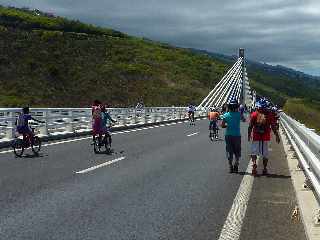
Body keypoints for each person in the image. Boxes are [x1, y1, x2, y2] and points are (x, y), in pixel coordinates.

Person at [248, 99, 280, 175]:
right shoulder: (269, 115)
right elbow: (273, 126)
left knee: (254, 152)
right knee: (265, 154)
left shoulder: (254, 114)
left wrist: (249, 135)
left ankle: (254, 165)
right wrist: (277, 136)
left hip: (256, 136)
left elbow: (250, 126)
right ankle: (264, 169)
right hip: (265, 137)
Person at [221, 99, 241, 173]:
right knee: (237, 151)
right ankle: (236, 164)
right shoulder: (239, 114)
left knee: (229, 151)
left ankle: (230, 166)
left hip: (228, 135)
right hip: (237, 136)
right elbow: (244, 120)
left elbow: (222, 125)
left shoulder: (226, 115)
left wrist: (227, 124)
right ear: (236, 106)